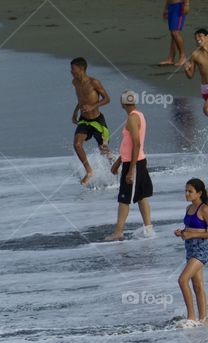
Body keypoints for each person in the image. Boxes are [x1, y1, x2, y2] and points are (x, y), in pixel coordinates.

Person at [105, 91, 154, 241]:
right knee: (141, 196)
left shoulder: (132, 118)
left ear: (122, 103)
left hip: (135, 164)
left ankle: (118, 232)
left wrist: (131, 169)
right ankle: (148, 229)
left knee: (124, 199)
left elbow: (137, 144)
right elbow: (129, 145)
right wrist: (118, 162)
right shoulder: (139, 115)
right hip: (136, 161)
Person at [70, 58, 113, 185]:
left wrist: (92, 106)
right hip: (84, 120)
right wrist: (75, 111)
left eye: (73, 69)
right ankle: (89, 171)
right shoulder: (75, 82)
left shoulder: (94, 82)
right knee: (77, 145)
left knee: (103, 149)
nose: (71, 72)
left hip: (97, 121)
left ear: (81, 69)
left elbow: (107, 99)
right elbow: (81, 99)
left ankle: (117, 168)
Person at [174, 179, 208, 326]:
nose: (186, 194)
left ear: (199, 193)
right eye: (186, 191)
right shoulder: (188, 208)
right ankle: (203, 319)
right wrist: (181, 232)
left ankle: (191, 318)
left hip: (202, 250)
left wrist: (192, 235)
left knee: (182, 280)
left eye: (190, 191)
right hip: (190, 249)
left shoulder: (205, 209)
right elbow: (190, 228)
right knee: (198, 285)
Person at [184, 28, 208, 117]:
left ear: (207, 37)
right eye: (196, 37)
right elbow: (190, 76)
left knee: (206, 109)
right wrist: (186, 69)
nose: (197, 39)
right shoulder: (195, 55)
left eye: (200, 36)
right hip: (204, 88)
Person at [160, 1, 190, 66]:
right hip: (171, 6)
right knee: (172, 33)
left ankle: (183, 57)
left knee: (175, 32)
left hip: (179, 6)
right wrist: (166, 8)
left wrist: (186, 4)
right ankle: (171, 58)